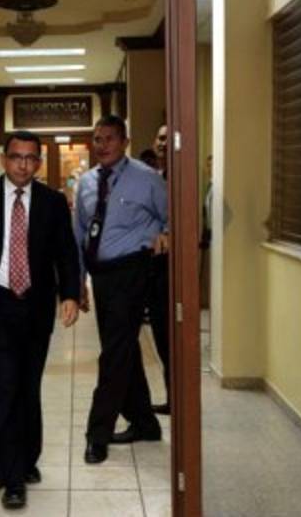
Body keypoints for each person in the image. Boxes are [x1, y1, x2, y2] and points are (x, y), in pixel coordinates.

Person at [0, 130, 81, 510]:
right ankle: (11, 479)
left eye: (31, 159)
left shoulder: (52, 202)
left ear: (39, 163)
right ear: (4, 159)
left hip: (36, 307)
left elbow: (66, 251)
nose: (23, 165)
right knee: (5, 388)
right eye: (16, 157)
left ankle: (28, 459)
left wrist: (71, 294)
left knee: (29, 387)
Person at [75, 115, 168, 464]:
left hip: (134, 271)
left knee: (114, 352)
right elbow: (79, 233)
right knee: (122, 347)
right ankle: (145, 423)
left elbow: (174, 216)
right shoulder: (86, 182)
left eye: (110, 138)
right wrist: (78, 280)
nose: (103, 145)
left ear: (125, 142)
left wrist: (167, 233)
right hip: (101, 276)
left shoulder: (148, 179)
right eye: (97, 139)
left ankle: (97, 433)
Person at [147, 124, 173, 415]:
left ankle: (177, 398)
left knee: (170, 339)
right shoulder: (155, 177)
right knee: (161, 339)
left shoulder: (181, 177)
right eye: (160, 138)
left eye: (168, 138)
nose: (163, 143)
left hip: (171, 272)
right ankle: (172, 397)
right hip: (153, 269)